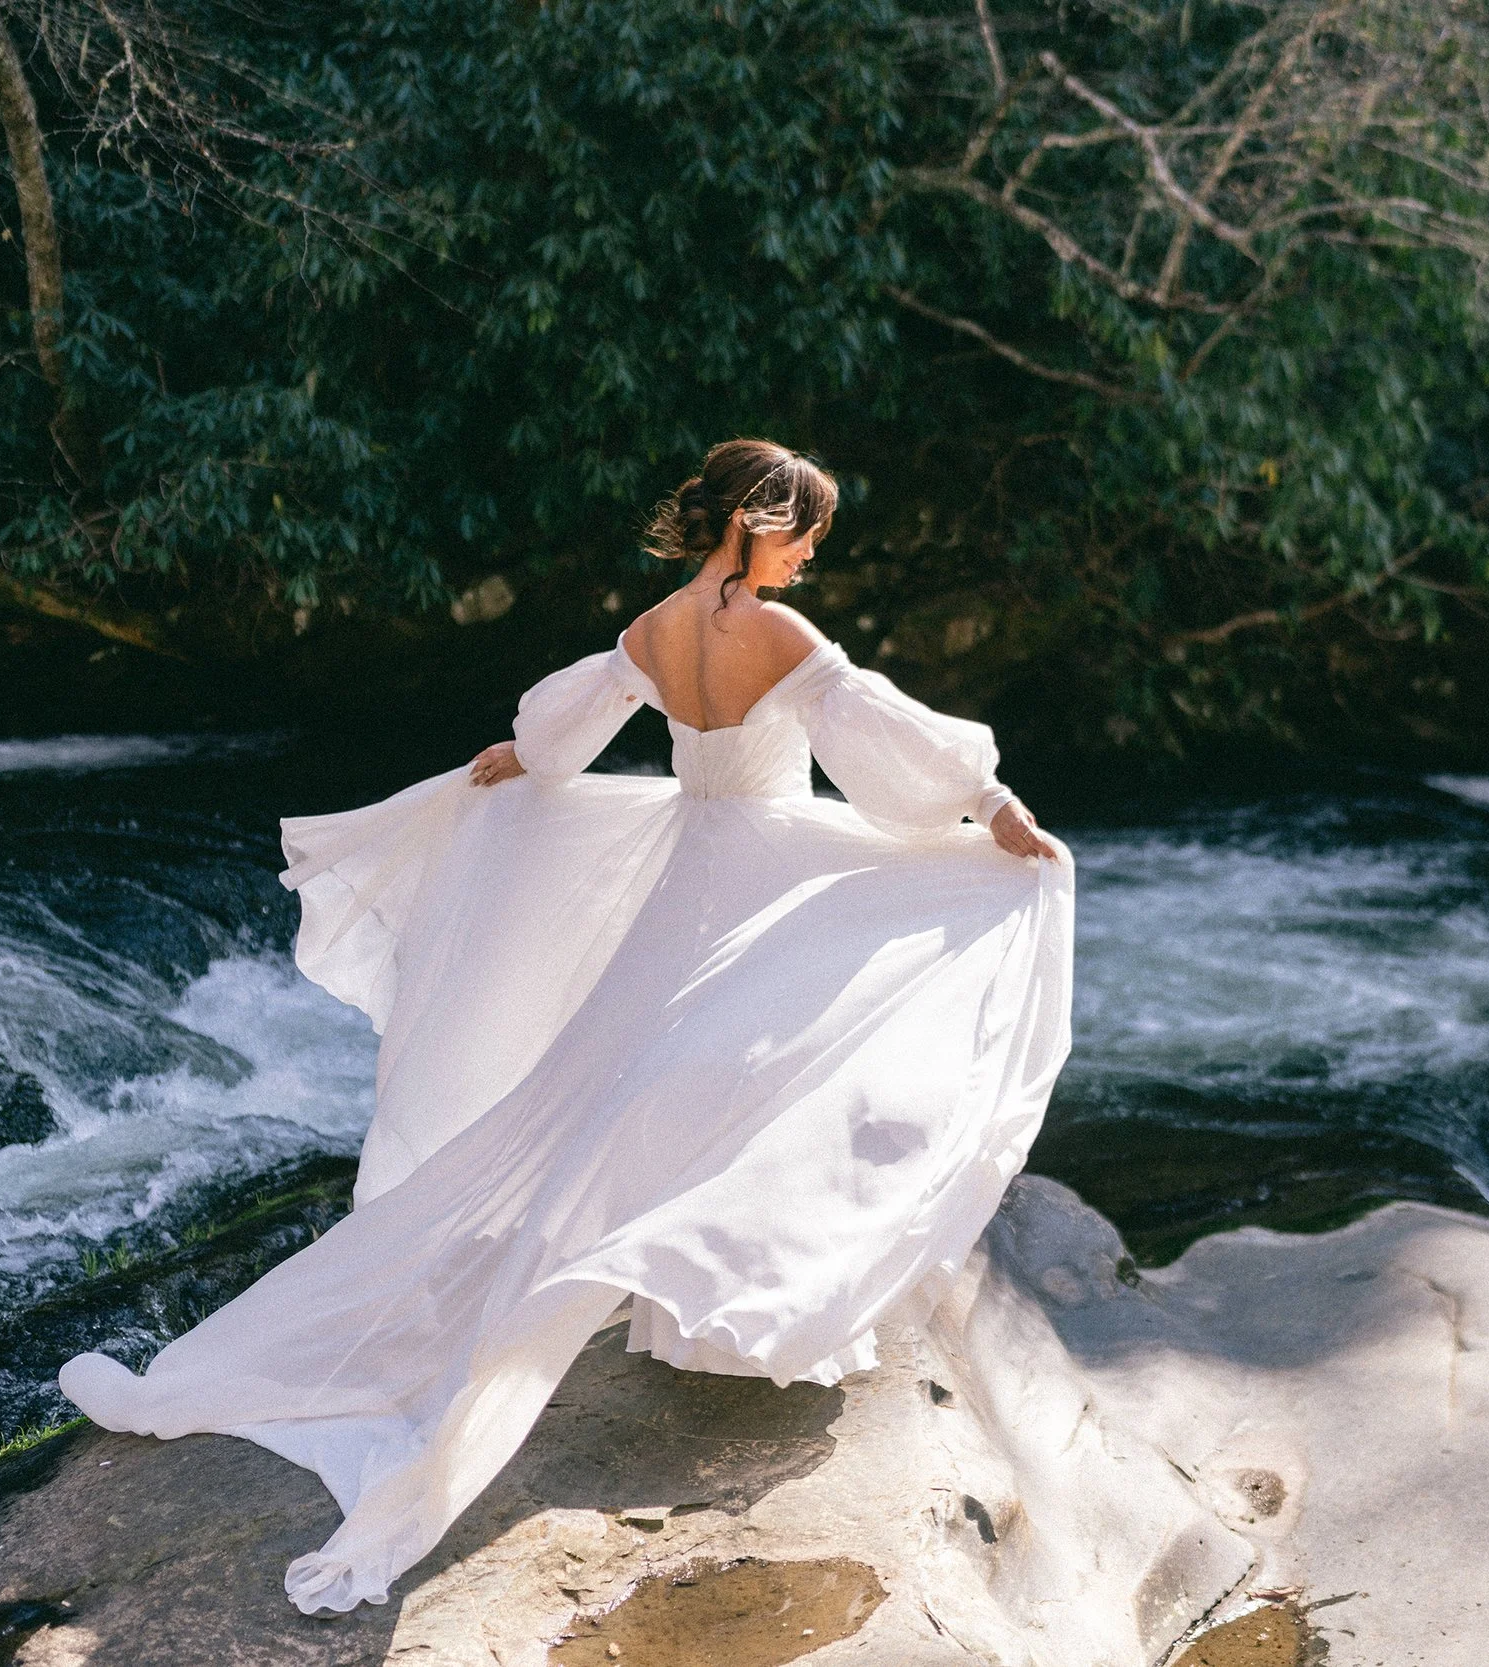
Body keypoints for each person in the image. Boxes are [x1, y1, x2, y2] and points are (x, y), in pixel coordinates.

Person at [59, 438, 1075, 1614]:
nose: (810, 556)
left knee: (623, 1092)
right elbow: (888, 759)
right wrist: (995, 808)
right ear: (760, 523)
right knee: (742, 1081)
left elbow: (558, 733)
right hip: (762, 871)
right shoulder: (783, 637)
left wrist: (515, 759)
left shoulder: (653, 626)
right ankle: (694, 1308)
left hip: (687, 869)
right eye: (805, 534)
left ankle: (671, 1310)